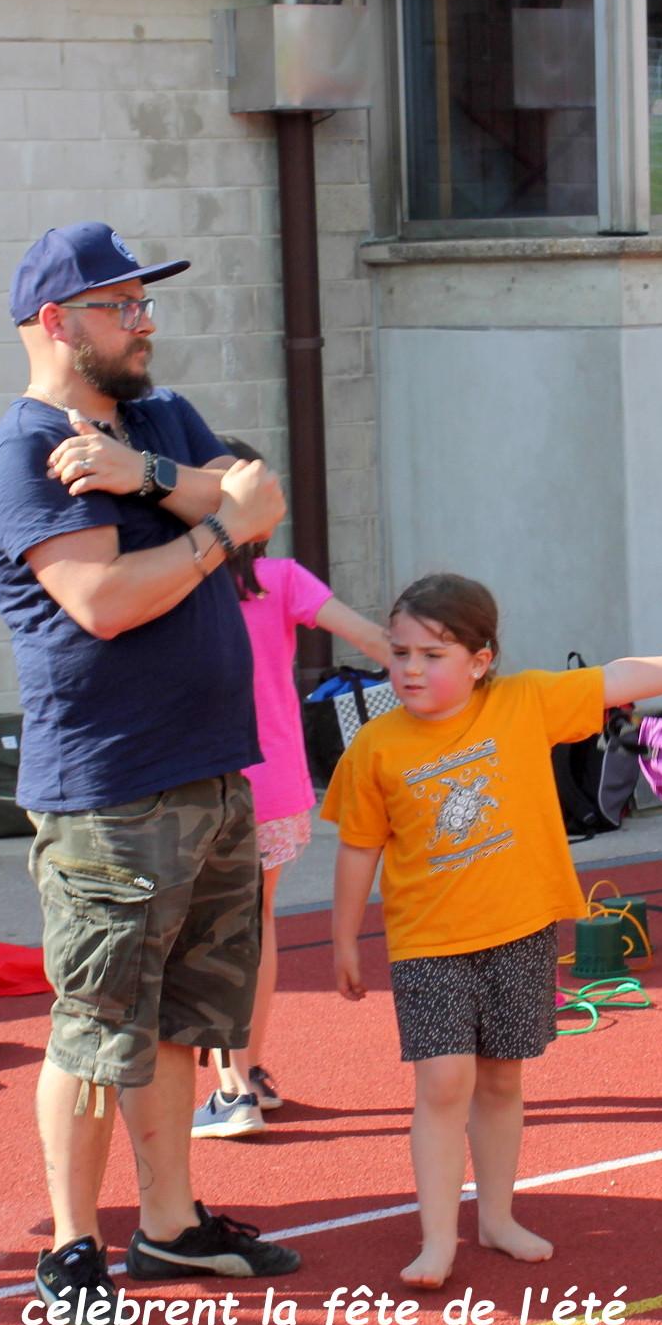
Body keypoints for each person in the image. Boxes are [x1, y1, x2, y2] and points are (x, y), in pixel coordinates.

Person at [0, 220, 300, 1324]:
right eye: (125, 306)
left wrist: (150, 475)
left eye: (148, 303)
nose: (147, 322)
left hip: (211, 768)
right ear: (58, 325)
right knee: (96, 1020)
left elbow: (254, 490)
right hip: (110, 787)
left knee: (174, 1021)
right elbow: (106, 601)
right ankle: (72, 1248)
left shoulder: (159, 418)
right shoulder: (22, 455)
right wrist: (209, 526)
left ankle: (170, 1228)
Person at [324, 574, 662, 1288]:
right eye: (400, 652)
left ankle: (497, 1216)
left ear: (480, 659)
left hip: (518, 930)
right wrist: (345, 936)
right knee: (444, 1081)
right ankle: (436, 1236)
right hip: (428, 942)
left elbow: (615, 678)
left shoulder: (523, 702)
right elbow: (358, 846)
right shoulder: (375, 747)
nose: (410, 668)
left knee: (502, 1078)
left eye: (432, 654)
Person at [193, 438, 390, 1140]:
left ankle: (231, 1085)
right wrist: (431, 665)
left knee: (214, 937)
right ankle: (250, 1070)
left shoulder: (183, 586)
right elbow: (368, 636)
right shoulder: (280, 578)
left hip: (211, 786)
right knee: (257, 924)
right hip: (278, 788)